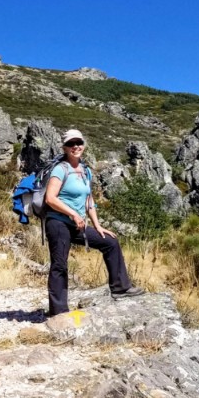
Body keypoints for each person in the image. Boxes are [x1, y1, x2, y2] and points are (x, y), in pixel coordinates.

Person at [44, 128, 145, 316]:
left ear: (84, 144)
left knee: (110, 242)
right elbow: (50, 198)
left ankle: (120, 288)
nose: (75, 147)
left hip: (78, 224)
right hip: (58, 223)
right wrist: (73, 214)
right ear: (65, 147)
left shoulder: (85, 170)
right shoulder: (61, 169)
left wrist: (97, 226)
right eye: (71, 144)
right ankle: (58, 311)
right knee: (60, 264)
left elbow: (89, 200)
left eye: (79, 143)